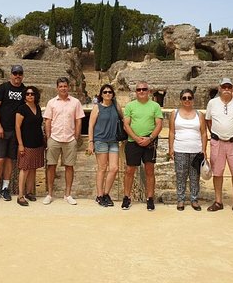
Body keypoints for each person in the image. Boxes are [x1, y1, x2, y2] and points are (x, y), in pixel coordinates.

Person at [204, 77, 233, 214]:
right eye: (224, 87)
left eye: (229, 87)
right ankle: (218, 201)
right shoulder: (212, 103)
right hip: (217, 142)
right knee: (217, 172)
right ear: (220, 88)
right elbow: (208, 121)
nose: (227, 89)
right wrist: (217, 134)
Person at [43, 77, 85, 205]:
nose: (63, 88)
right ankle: (49, 194)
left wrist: (76, 136)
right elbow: (48, 120)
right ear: (57, 88)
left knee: (69, 166)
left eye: (65, 86)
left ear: (69, 87)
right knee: (51, 166)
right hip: (54, 138)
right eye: (61, 86)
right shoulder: (51, 103)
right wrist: (49, 136)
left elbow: (78, 120)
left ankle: (68, 194)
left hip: (69, 138)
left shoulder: (75, 102)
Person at [121, 81, 163, 211]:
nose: (141, 91)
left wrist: (149, 138)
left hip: (150, 141)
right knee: (129, 171)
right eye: (139, 89)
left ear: (148, 91)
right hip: (134, 142)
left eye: (144, 89)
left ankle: (150, 198)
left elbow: (159, 124)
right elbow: (126, 124)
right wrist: (136, 138)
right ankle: (126, 197)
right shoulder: (130, 106)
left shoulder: (155, 106)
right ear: (136, 92)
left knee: (150, 170)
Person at [168, 89, 208, 211]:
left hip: (196, 150)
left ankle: (194, 199)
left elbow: (204, 133)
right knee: (181, 175)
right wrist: (171, 148)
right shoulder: (174, 113)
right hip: (180, 148)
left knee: (195, 176)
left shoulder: (199, 114)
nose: (187, 100)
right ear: (181, 100)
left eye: (189, 98)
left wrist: (204, 149)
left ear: (193, 99)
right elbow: (171, 132)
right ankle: (180, 199)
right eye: (184, 98)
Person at [0, 65, 26, 202]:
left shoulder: (24, 90)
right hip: (2, 129)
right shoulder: (3, 88)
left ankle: (5, 188)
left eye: (20, 73)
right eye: (15, 73)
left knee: (10, 160)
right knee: (0, 159)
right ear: (11, 74)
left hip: (15, 131)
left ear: (22, 75)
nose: (17, 76)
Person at [86, 84, 123, 207]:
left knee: (114, 168)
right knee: (102, 168)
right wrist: (90, 143)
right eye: (105, 92)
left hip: (113, 141)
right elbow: (91, 125)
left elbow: (123, 119)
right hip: (100, 140)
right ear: (101, 94)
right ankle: (99, 195)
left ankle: (106, 194)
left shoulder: (116, 106)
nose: (108, 94)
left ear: (113, 94)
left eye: (110, 92)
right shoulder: (97, 108)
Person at [15, 86, 45, 206]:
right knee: (25, 168)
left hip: (37, 143)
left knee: (33, 168)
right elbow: (17, 127)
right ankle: (20, 195)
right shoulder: (21, 109)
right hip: (26, 143)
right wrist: (20, 144)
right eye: (27, 94)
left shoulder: (37, 107)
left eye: (32, 94)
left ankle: (29, 192)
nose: (30, 96)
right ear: (24, 96)